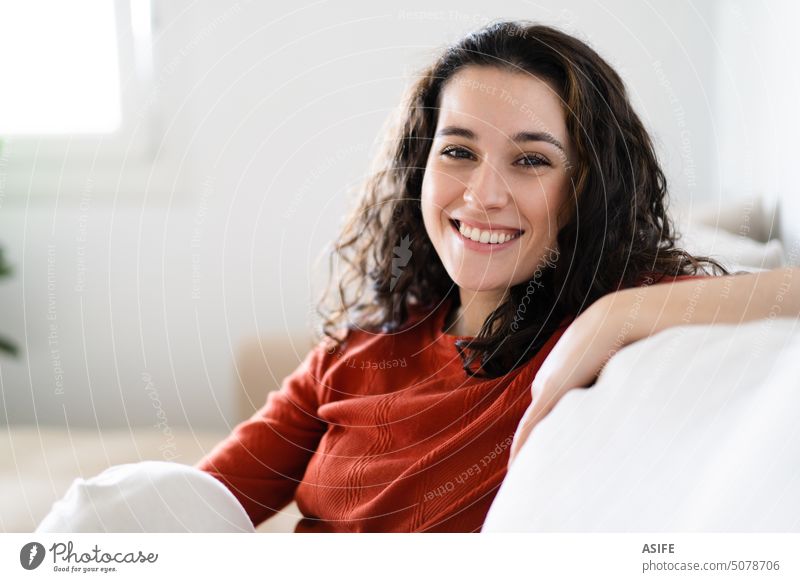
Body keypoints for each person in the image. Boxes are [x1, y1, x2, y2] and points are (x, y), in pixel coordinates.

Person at [194, 20, 797, 532]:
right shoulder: (353, 354)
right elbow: (195, 507)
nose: (483, 194)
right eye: (458, 151)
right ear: (420, 168)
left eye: (531, 160)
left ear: (584, 189)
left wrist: (618, 316)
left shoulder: (610, 321)